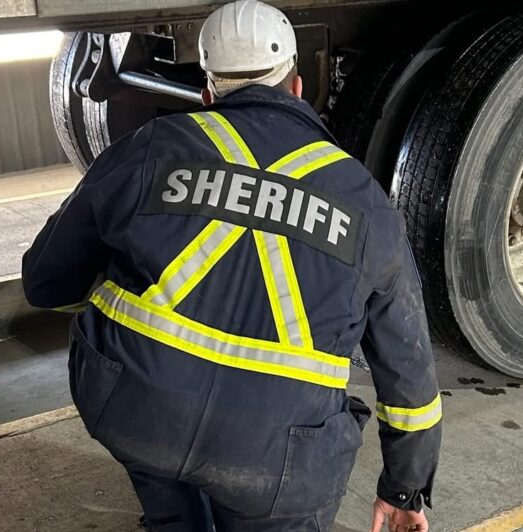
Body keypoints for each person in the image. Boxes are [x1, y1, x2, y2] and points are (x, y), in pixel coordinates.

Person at [22, 1, 441, 530]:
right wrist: (404, 490)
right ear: (298, 87)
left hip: (136, 409)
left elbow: (45, 281)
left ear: (206, 91)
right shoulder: (366, 204)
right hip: (280, 460)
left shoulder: (151, 147)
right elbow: (409, 371)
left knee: (169, 491)